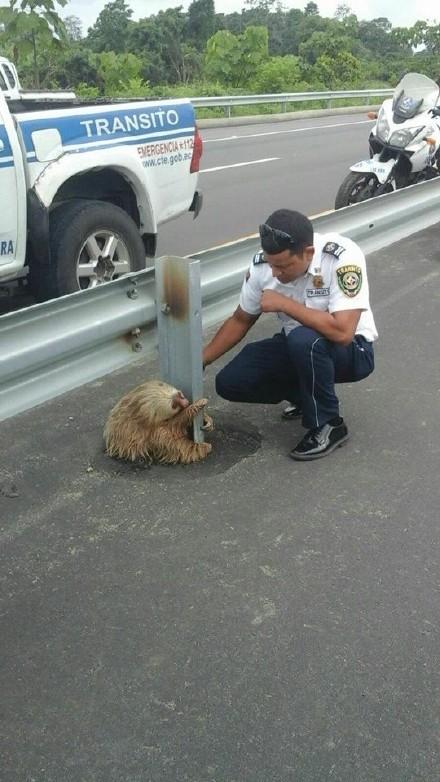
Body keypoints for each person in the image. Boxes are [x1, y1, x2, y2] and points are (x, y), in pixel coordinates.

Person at [202, 208, 378, 460]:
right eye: (271, 264)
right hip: (298, 347)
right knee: (231, 381)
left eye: (283, 266)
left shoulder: (341, 257)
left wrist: (285, 304)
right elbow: (240, 319)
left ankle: (329, 424)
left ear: (308, 253)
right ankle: (305, 397)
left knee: (304, 340)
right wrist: (203, 359)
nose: (275, 273)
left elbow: (343, 332)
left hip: (352, 351)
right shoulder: (264, 267)